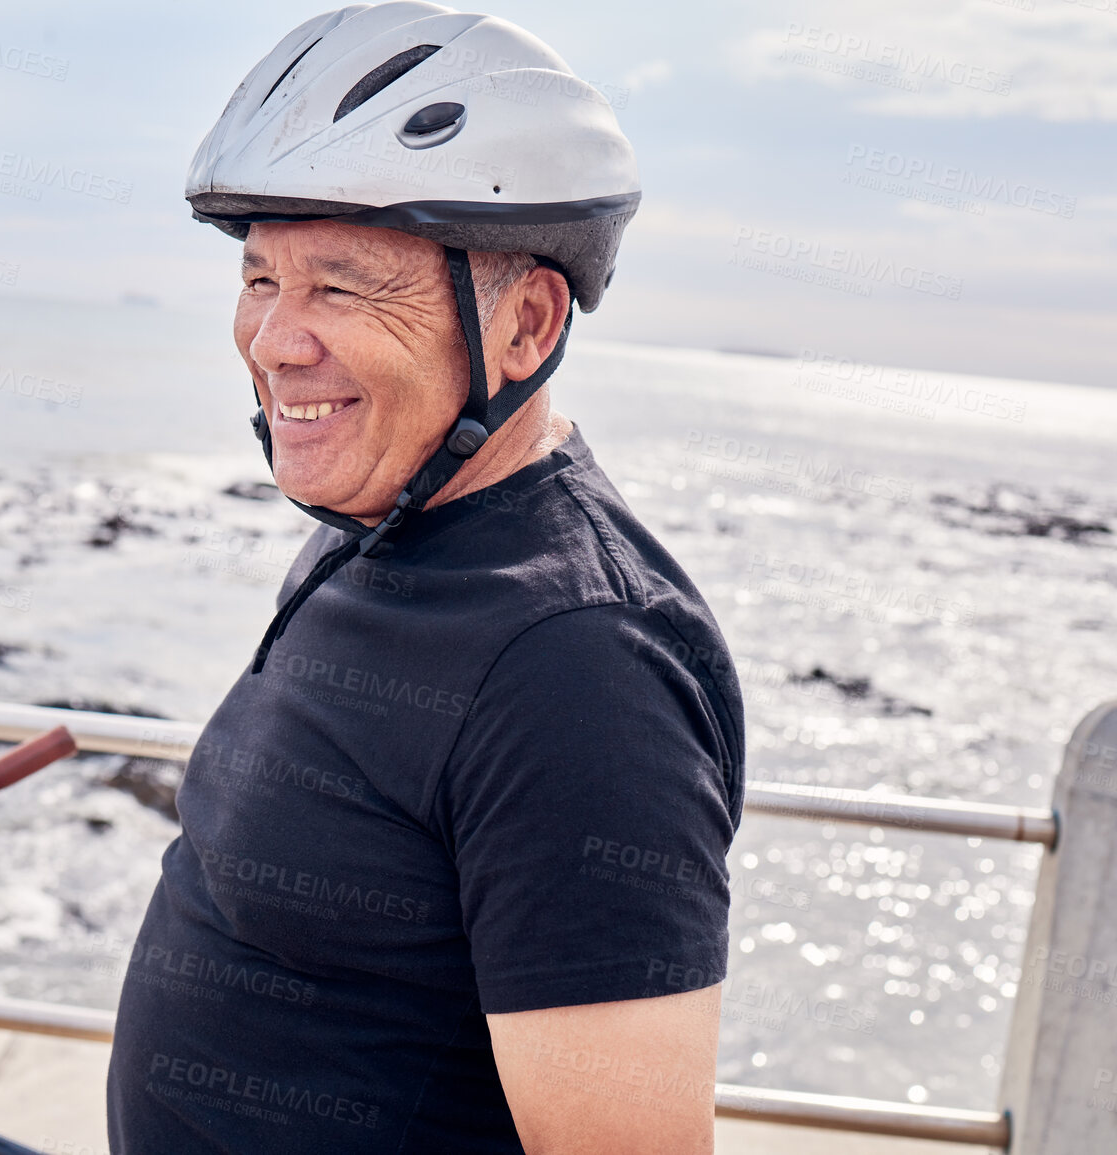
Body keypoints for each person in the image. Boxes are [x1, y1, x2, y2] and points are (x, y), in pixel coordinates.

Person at [107, 4, 744, 1152]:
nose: (273, 341)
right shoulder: (376, 521)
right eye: (261, 280)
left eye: (340, 288)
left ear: (525, 324)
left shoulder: (580, 672)